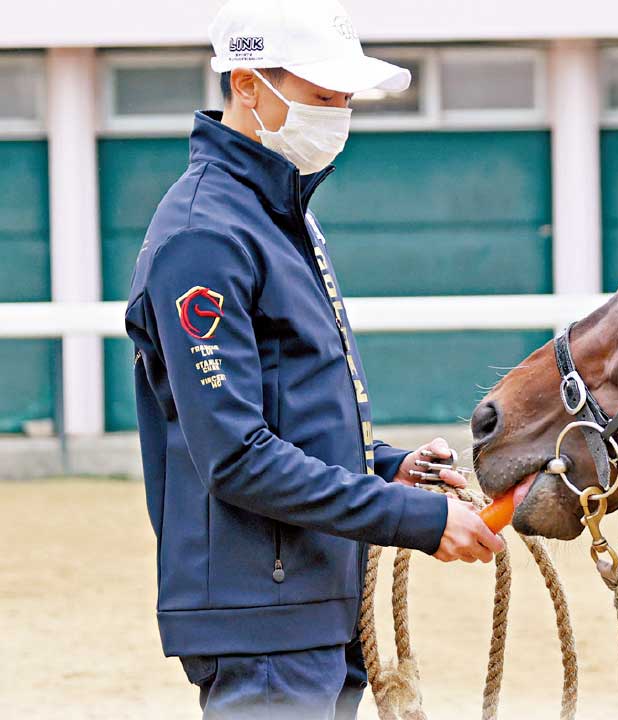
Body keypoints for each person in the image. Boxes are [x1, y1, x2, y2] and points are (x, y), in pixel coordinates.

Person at [123, 1, 504, 717]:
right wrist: (412, 520)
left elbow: (289, 415)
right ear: (246, 84)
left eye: (344, 100)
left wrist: (388, 465)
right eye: (321, 97)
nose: (338, 115)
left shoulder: (284, 218)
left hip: (314, 600)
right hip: (261, 615)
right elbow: (235, 455)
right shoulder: (204, 235)